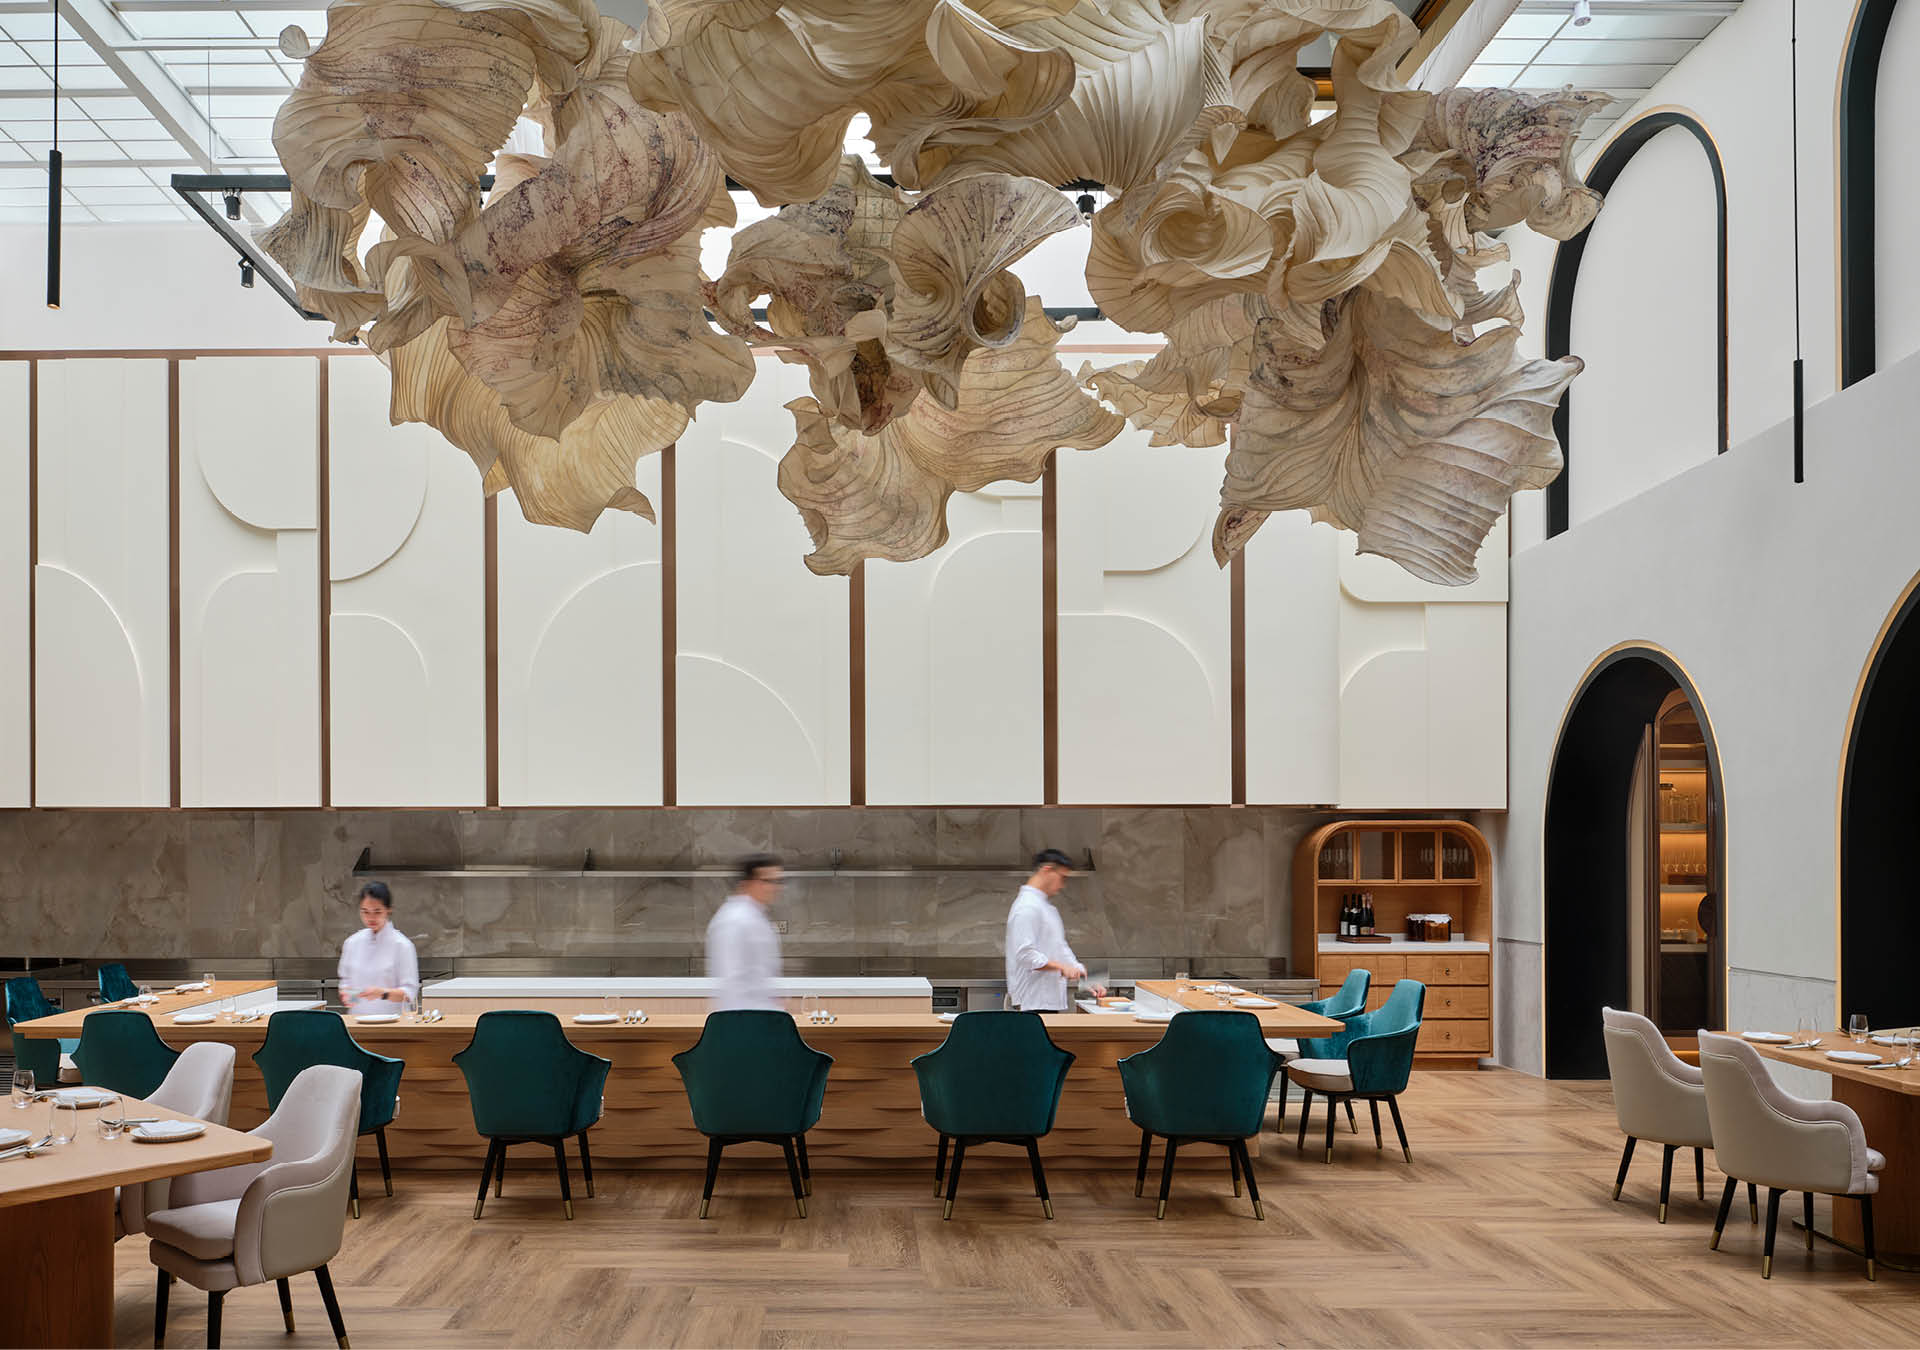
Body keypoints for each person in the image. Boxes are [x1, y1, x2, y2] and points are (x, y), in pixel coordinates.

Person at [1005, 848, 1103, 1012]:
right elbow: (1025, 955)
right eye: (1062, 877)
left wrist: (1084, 976)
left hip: (1046, 1002)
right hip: (1031, 1003)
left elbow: (1060, 948)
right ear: (1047, 870)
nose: (1062, 885)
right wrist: (1061, 967)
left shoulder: (1045, 908)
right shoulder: (1026, 906)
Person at [706, 853, 785, 1012]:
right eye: (768, 881)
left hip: (760, 1016)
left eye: (778, 881)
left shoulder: (756, 916)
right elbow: (732, 980)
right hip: (744, 1019)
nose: (775, 888)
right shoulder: (734, 920)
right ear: (749, 883)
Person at [337, 881, 420, 1016]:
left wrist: (382, 993)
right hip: (357, 1021)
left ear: (388, 910)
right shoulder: (352, 943)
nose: (371, 917)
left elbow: (409, 993)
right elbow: (345, 981)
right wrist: (346, 993)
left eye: (377, 911)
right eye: (365, 912)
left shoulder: (402, 945)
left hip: (393, 1023)